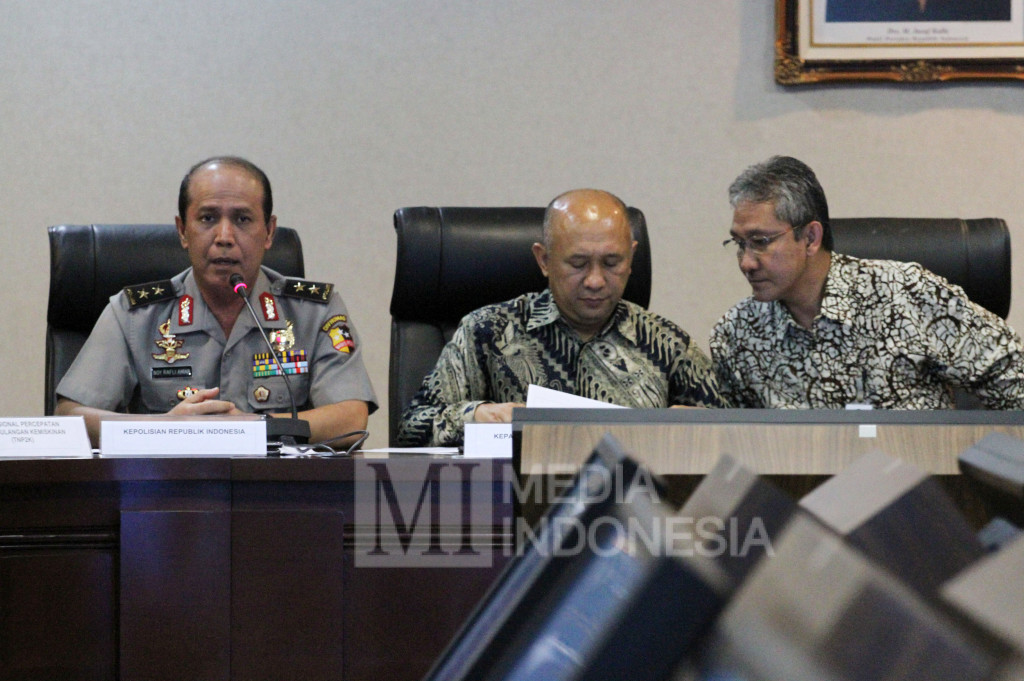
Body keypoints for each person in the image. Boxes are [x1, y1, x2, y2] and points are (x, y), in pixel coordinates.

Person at [56, 156, 377, 445]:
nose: (224, 236)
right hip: (167, 496)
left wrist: (257, 427)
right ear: (183, 231)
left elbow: (350, 417)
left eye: (243, 219)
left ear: (269, 232)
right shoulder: (134, 313)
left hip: (279, 495)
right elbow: (71, 416)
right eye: (208, 218)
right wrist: (164, 428)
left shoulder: (315, 310)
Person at [397, 188, 727, 447]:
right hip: (518, 513)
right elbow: (412, 427)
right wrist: (477, 415)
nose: (595, 280)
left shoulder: (667, 343)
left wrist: (701, 429)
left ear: (632, 258)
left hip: (634, 516)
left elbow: (737, 433)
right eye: (578, 263)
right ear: (544, 260)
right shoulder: (488, 332)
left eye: (612, 263)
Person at [710, 155, 1024, 410]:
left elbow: (1014, 379)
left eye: (760, 241)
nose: (746, 262)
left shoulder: (906, 294)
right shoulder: (736, 333)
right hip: (806, 485)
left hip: (921, 479)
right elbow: (739, 444)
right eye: (739, 244)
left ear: (810, 238)